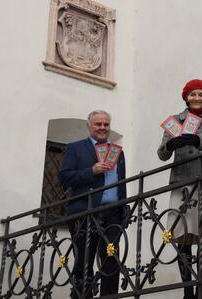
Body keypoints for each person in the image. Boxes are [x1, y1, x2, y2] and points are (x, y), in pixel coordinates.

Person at [158, 79, 202, 299]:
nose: (197, 98)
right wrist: (170, 145)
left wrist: (198, 140)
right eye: (193, 94)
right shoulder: (175, 121)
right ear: (186, 97)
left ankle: (201, 288)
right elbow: (162, 154)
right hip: (182, 182)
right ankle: (188, 290)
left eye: (201, 94)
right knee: (183, 235)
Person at [58, 110, 127, 299]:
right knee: (84, 263)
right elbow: (64, 178)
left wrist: (124, 210)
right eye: (98, 124)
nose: (103, 128)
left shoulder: (117, 152)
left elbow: (122, 183)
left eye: (106, 124)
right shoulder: (76, 148)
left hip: (112, 214)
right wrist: (91, 171)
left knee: (111, 261)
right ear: (89, 126)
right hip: (84, 213)